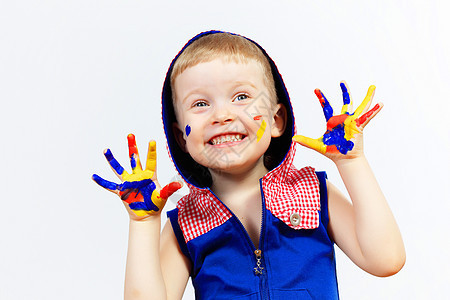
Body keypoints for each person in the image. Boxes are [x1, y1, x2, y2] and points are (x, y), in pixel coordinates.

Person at [92, 31, 405, 299]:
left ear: (277, 120)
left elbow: (386, 259)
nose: (222, 114)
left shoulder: (312, 192)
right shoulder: (184, 224)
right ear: (180, 136)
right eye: (201, 103)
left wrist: (352, 162)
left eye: (241, 96)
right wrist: (144, 225)